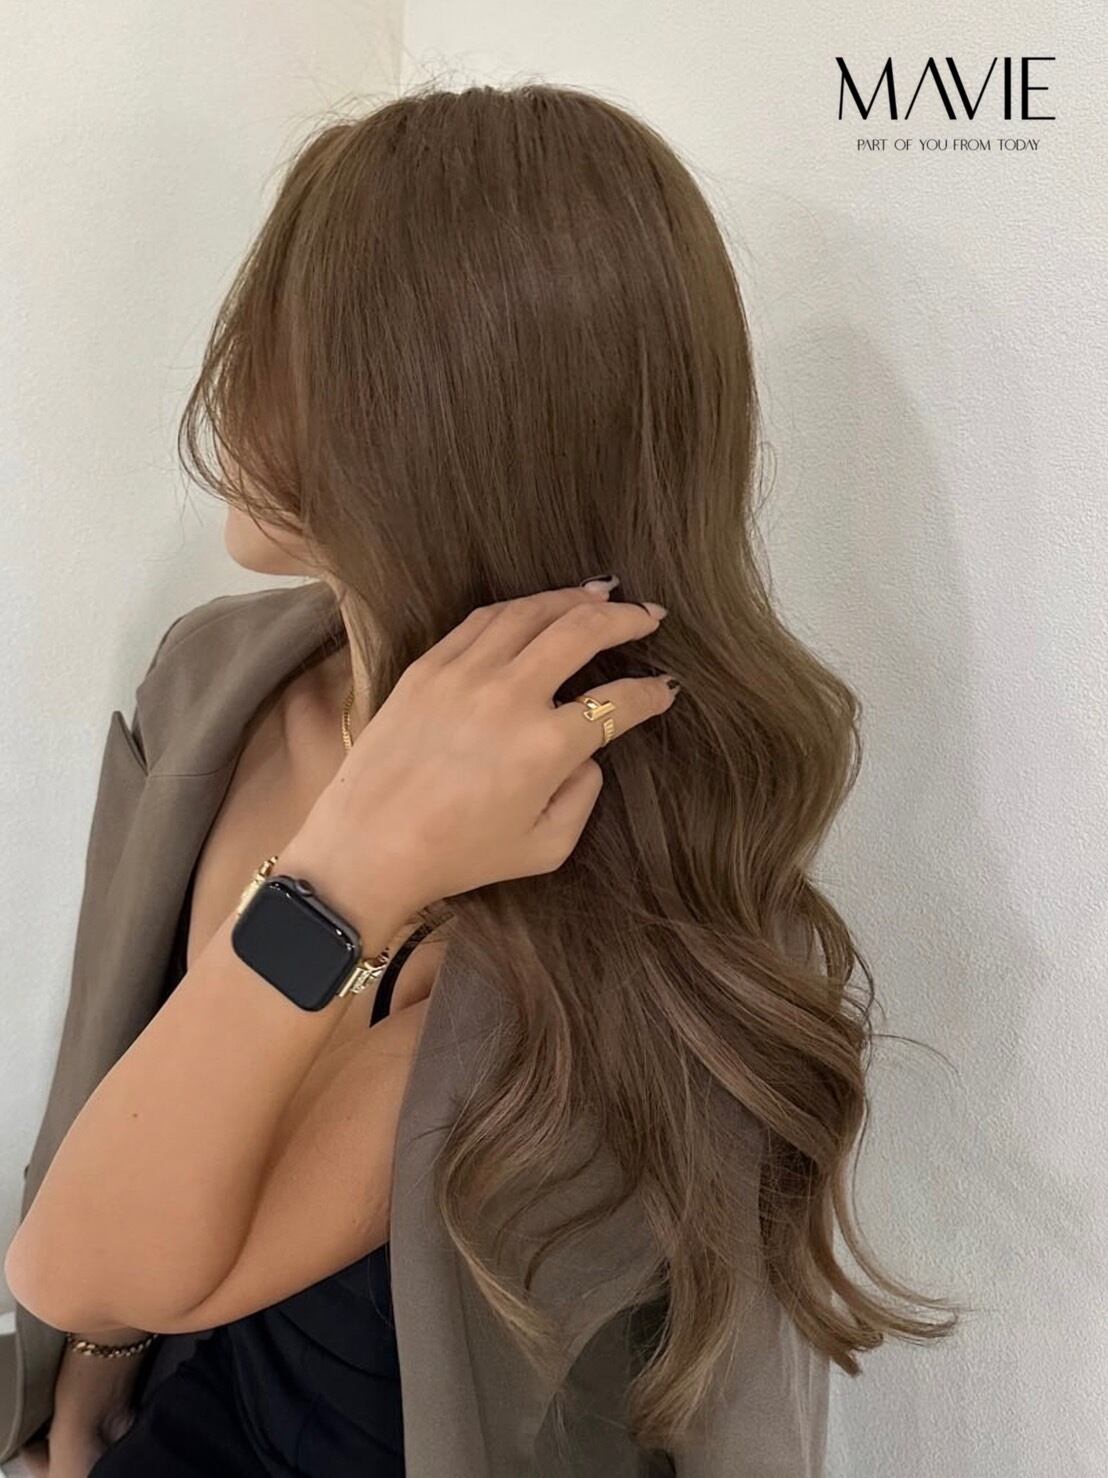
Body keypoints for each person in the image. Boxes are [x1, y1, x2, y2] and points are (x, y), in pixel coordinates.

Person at [2, 82, 960, 1478]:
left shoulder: (587, 886)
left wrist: (349, 876)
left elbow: (82, 1267)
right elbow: (107, 1151)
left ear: (439, 413)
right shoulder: (216, 682)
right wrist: (92, 1384)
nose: (235, 377)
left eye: (296, 342)